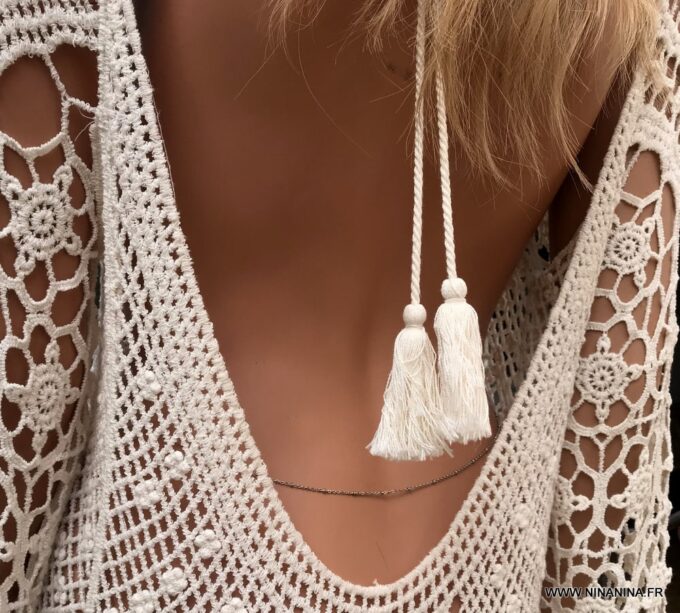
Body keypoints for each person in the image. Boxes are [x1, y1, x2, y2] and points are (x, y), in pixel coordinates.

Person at [0, 0, 676, 610]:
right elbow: (619, 391)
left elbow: (29, 385)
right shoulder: (639, 17)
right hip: (483, 569)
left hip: (169, 550)